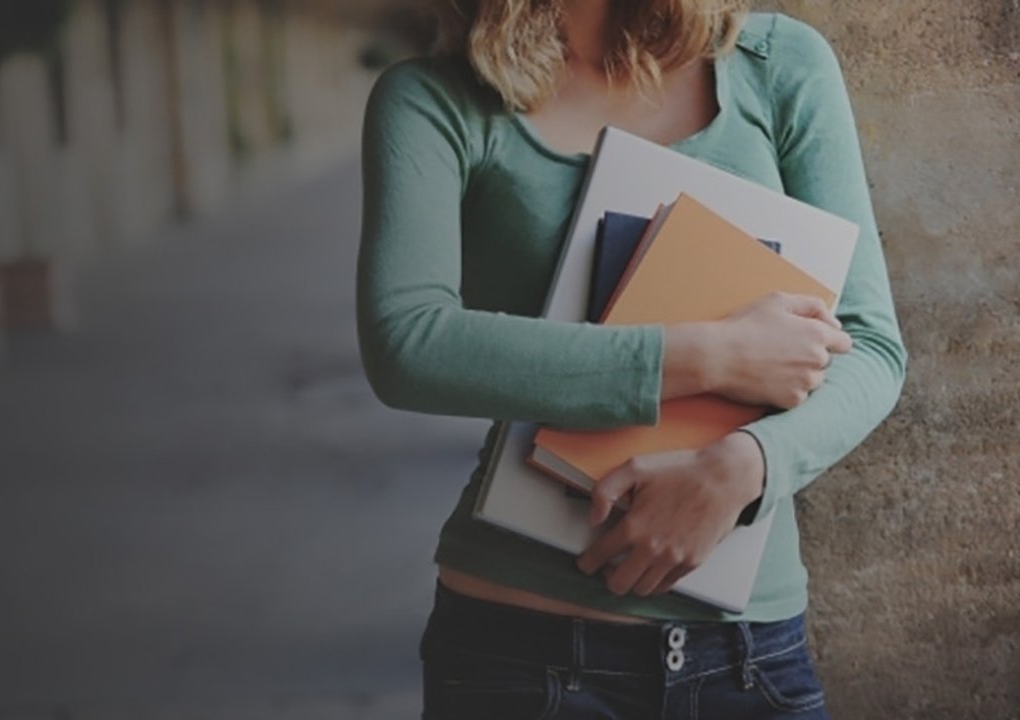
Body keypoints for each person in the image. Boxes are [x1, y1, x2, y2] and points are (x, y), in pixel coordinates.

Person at [357, 0, 906, 718]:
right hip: (519, 658)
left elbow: (870, 348)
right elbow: (407, 344)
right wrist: (708, 356)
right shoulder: (433, 99)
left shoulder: (776, 65)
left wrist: (742, 468)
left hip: (748, 662)